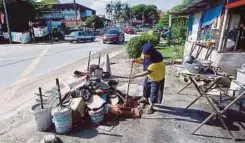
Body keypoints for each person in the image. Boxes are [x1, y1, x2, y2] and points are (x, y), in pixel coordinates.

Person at [132, 42, 165, 114]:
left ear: (151, 54)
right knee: (146, 87)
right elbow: (142, 59)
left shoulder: (156, 61)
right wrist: (136, 60)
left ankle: (151, 106)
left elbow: (146, 72)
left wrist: (135, 76)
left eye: (146, 55)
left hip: (157, 77)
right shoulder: (146, 53)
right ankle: (145, 98)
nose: (144, 55)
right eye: (144, 54)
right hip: (150, 75)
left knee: (153, 92)